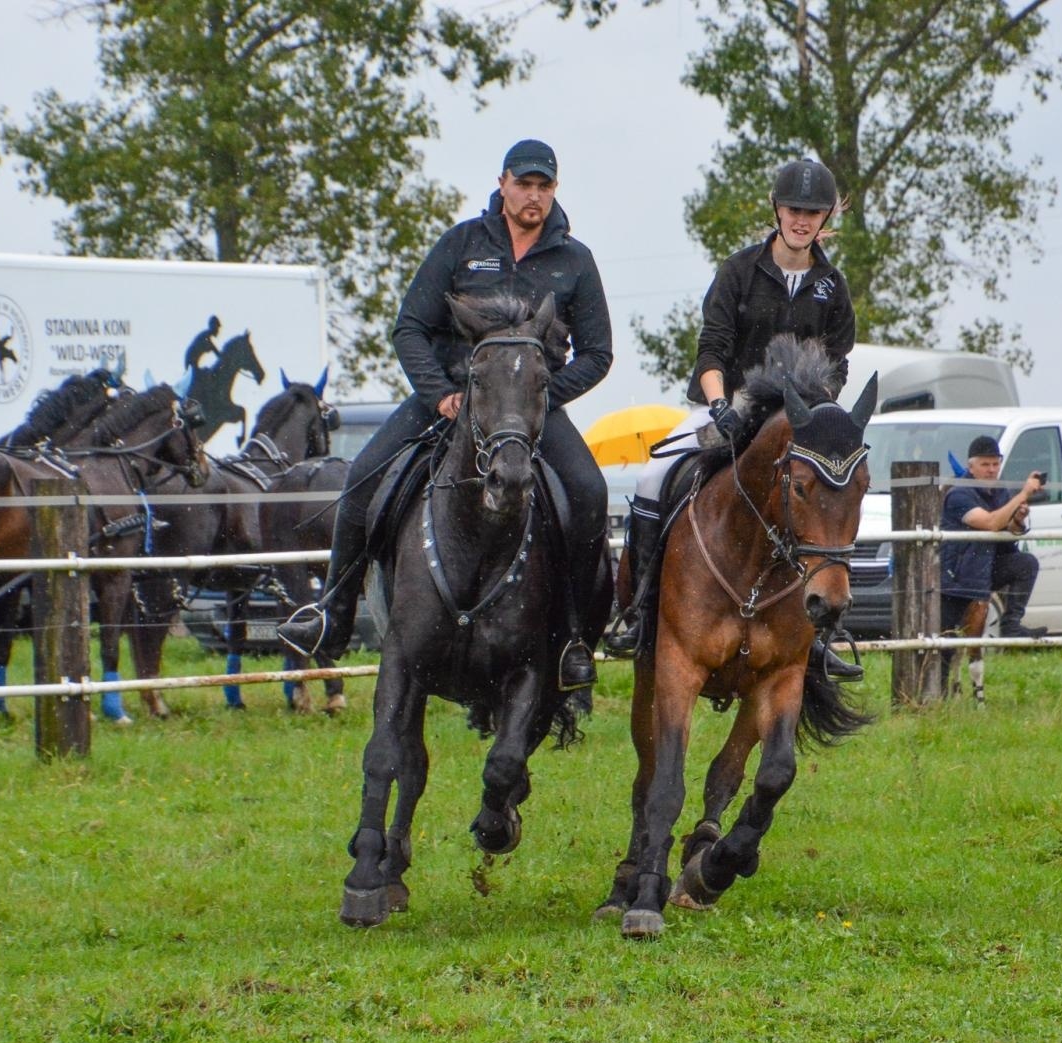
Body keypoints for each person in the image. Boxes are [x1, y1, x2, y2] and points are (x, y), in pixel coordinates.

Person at [279, 139, 614, 690]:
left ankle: (574, 638)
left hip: (528, 409)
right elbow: (409, 327)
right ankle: (332, 618)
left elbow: (598, 354)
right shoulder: (460, 243)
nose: (533, 196)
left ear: (554, 191)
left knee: (590, 491)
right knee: (363, 475)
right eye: (524, 184)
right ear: (503, 183)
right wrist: (438, 393)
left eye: (544, 186)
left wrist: (538, 400)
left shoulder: (575, 261)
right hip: (450, 397)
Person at [605, 158, 860, 679]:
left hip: (798, 418)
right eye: (794, 209)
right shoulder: (739, 271)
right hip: (735, 401)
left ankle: (817, 638)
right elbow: (712, 350)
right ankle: (638, 611)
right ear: (777, 209)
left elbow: (838, 362)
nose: (802, 219)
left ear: (826, 216)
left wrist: (817, 411)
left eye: (813, 212)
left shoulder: (833, 284)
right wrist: (720, 403)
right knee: (655, 476)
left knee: (833, 492)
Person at [940, 434, 1049, 641]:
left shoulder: (1000, 492)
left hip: (986, 568)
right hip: (959, 577)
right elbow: (990, 523)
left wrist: (1017, 519)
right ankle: (943, 671)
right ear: (971, 467)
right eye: (985, 464)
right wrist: (1023, 494)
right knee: (948, 644)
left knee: (1025, 563)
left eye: (995, 464)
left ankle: (1011, 625)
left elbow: (1006, 529)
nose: (991, 470)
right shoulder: (959, 494)